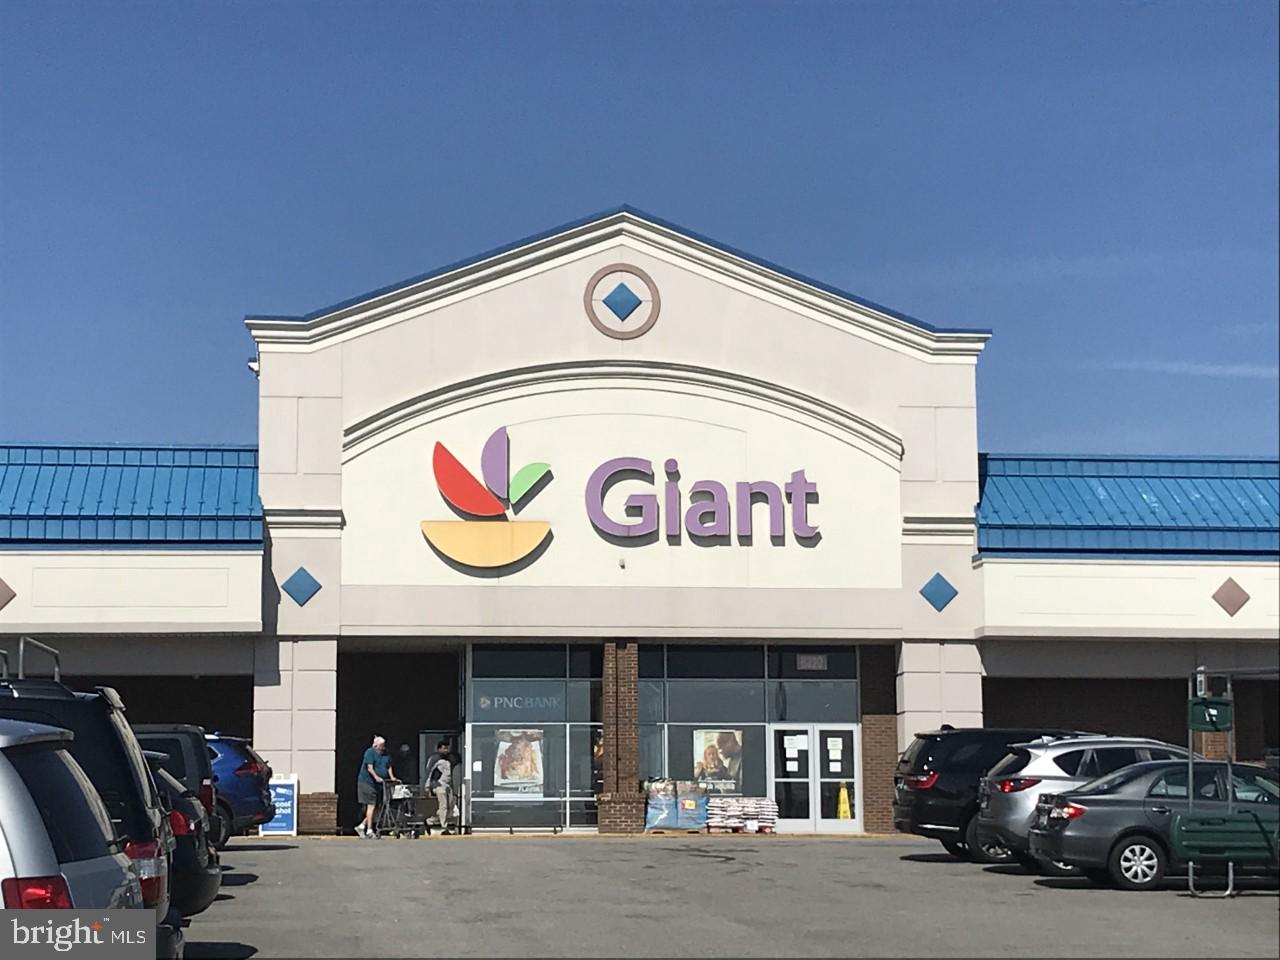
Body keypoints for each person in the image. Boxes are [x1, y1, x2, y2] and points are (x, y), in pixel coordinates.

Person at [355, 735, 395, 838]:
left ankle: (361, 826)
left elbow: (389, 766)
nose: (383, 748)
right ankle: (369, 830)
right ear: (375, 745)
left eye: (383, 745)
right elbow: (370, 767)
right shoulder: (370, 752)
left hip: (379, 784)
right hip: (367, 782)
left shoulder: (386, 754)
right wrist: (376, 777)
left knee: (377, 806)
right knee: (371, 805)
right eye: (381, 746)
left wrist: (392, 777)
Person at [424, 739, 454, 835]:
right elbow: (429, 772)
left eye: (447, 748)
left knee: (450, 807)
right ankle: (444, 827)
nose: (446, 750)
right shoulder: (435, 759)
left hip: (448, 785)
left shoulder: (449, 759)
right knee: (443, 805)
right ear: (439, 749)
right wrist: (427, 786)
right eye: (444, 748)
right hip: (439, 785)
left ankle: (430, 821)